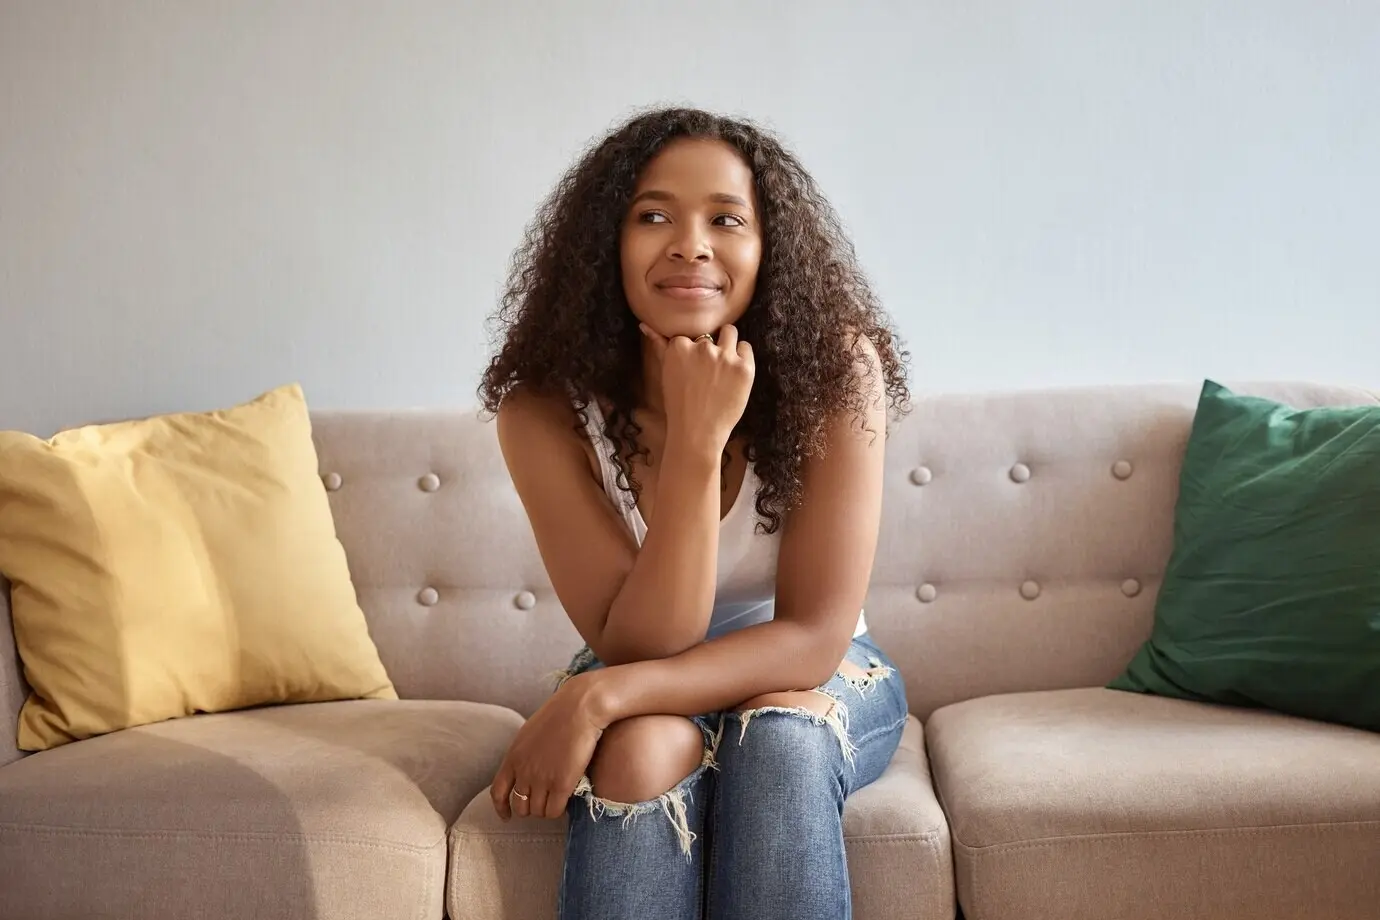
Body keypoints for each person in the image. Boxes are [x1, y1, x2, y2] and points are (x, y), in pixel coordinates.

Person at [477, 106, 912, 920]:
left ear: (767, 247)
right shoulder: (541, 410)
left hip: (808, 672)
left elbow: (814, 637)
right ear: (604, 243)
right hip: (645, 658)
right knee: (644, 750)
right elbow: (644, 642)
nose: (691, 244)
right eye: (652, 216)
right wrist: (698, 443)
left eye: (726, 219)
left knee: (778, 738)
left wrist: (593, 699)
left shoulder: (835, 370)